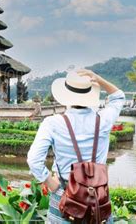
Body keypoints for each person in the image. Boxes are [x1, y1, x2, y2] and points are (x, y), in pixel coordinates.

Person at [27, 69, 125, 223]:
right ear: (90, 94)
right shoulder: (103, 119)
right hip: (97, 198)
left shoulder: (53, 123)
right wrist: (99, 79)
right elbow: (118, 97)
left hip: (65, 196)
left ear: (66, 96)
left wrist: (51, 184)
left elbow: (33, 160)